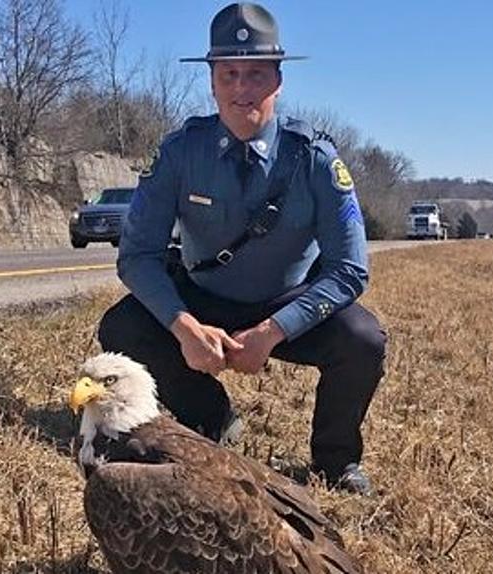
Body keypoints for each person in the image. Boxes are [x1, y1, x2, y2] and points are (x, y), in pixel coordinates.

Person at [96, 2, 386, 495]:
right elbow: (138, 255)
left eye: (255, 74)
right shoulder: (179, 153)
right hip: (203, 298)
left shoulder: (313, 159)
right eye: (228, 73)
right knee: (121, 327)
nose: (241, 88)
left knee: (363, 339)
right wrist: (183, 326)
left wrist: (274, 332)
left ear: (277, 80)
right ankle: (213, 419)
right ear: (211, 80)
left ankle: (336, 461)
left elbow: (349, 269)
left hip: (287, 302)